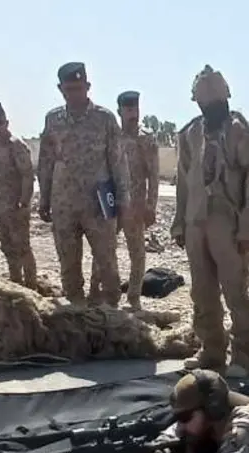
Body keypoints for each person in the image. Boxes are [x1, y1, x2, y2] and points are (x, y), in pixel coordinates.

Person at [172, 66, 249, 379]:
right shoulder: (190, 133)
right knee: (201, 292)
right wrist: (180, 223)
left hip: (229, 225)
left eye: (214, 103)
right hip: (196, 222)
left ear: (225, 99)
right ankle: (211, 349)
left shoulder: (244, 135)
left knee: (235, 291)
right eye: (203, 104)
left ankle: (243, 355)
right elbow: (183, 182)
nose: (209, 109)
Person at [37, 62, 131, 307]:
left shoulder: (105, 118)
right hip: (63, 204)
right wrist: (44, 198)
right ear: (60, 89)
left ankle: (110, 314)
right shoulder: (53, 120)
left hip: (98, 205)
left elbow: (118, 162)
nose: (74, 94)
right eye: (69, 89)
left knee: (107, 263)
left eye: (79, 88)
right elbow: (46, 161)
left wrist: (123, 201)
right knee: (68, 264)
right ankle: (76, 313)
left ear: (88, 86)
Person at [0, 102, 39, 289]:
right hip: (0, 208)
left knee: (23, 248)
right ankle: (16, 284)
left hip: (16, 208)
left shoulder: (16, 145)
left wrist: (23, 204)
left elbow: (27, 176)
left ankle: (31, 287)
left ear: (6, 122)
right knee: (7, 248)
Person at [115, 90, 160, 310]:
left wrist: (151, 206)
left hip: (135, 207)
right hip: (112, 205)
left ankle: (133, 297)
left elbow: (153, 175)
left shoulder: (145, 138)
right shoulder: (112, 135)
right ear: (120, 111)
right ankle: (105, 294)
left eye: (135, 109)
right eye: (128, 110)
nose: (133, 114)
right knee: (103, 250)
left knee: (137, 255)